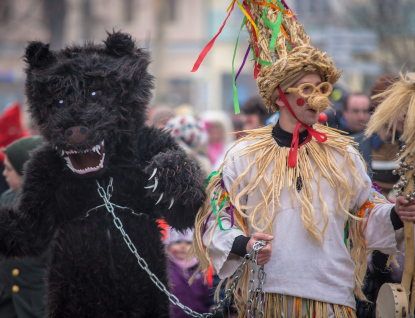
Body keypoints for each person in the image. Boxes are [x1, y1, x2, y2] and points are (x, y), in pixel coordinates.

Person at [190, 2, 414, 317]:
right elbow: (217, 218)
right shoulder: (243, 154)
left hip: (332, 300)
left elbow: (366, 213)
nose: (318, 97)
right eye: (305, 88)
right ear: (280, 96)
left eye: (322, 88)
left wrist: (394, 214)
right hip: (267, 299)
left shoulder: (343, 153)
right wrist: (245, 244)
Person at [0, 136, 49, 318]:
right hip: (7, 303)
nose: (4, 174)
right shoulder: (5, 200)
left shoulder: (53, 209)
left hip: (38, 304)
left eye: (9, 169)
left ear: (26, 172)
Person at [353, 74, 403, 201]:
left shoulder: (409, 148)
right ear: (378, 109)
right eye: (398, 107)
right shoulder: (353, 148)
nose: (404, 114)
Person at [164, 227, 211, 318]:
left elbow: (206, 296)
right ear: (168, 247)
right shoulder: (166, 269)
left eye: (188, 243)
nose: (183, 246)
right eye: (177, 242)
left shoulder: (200, 269)